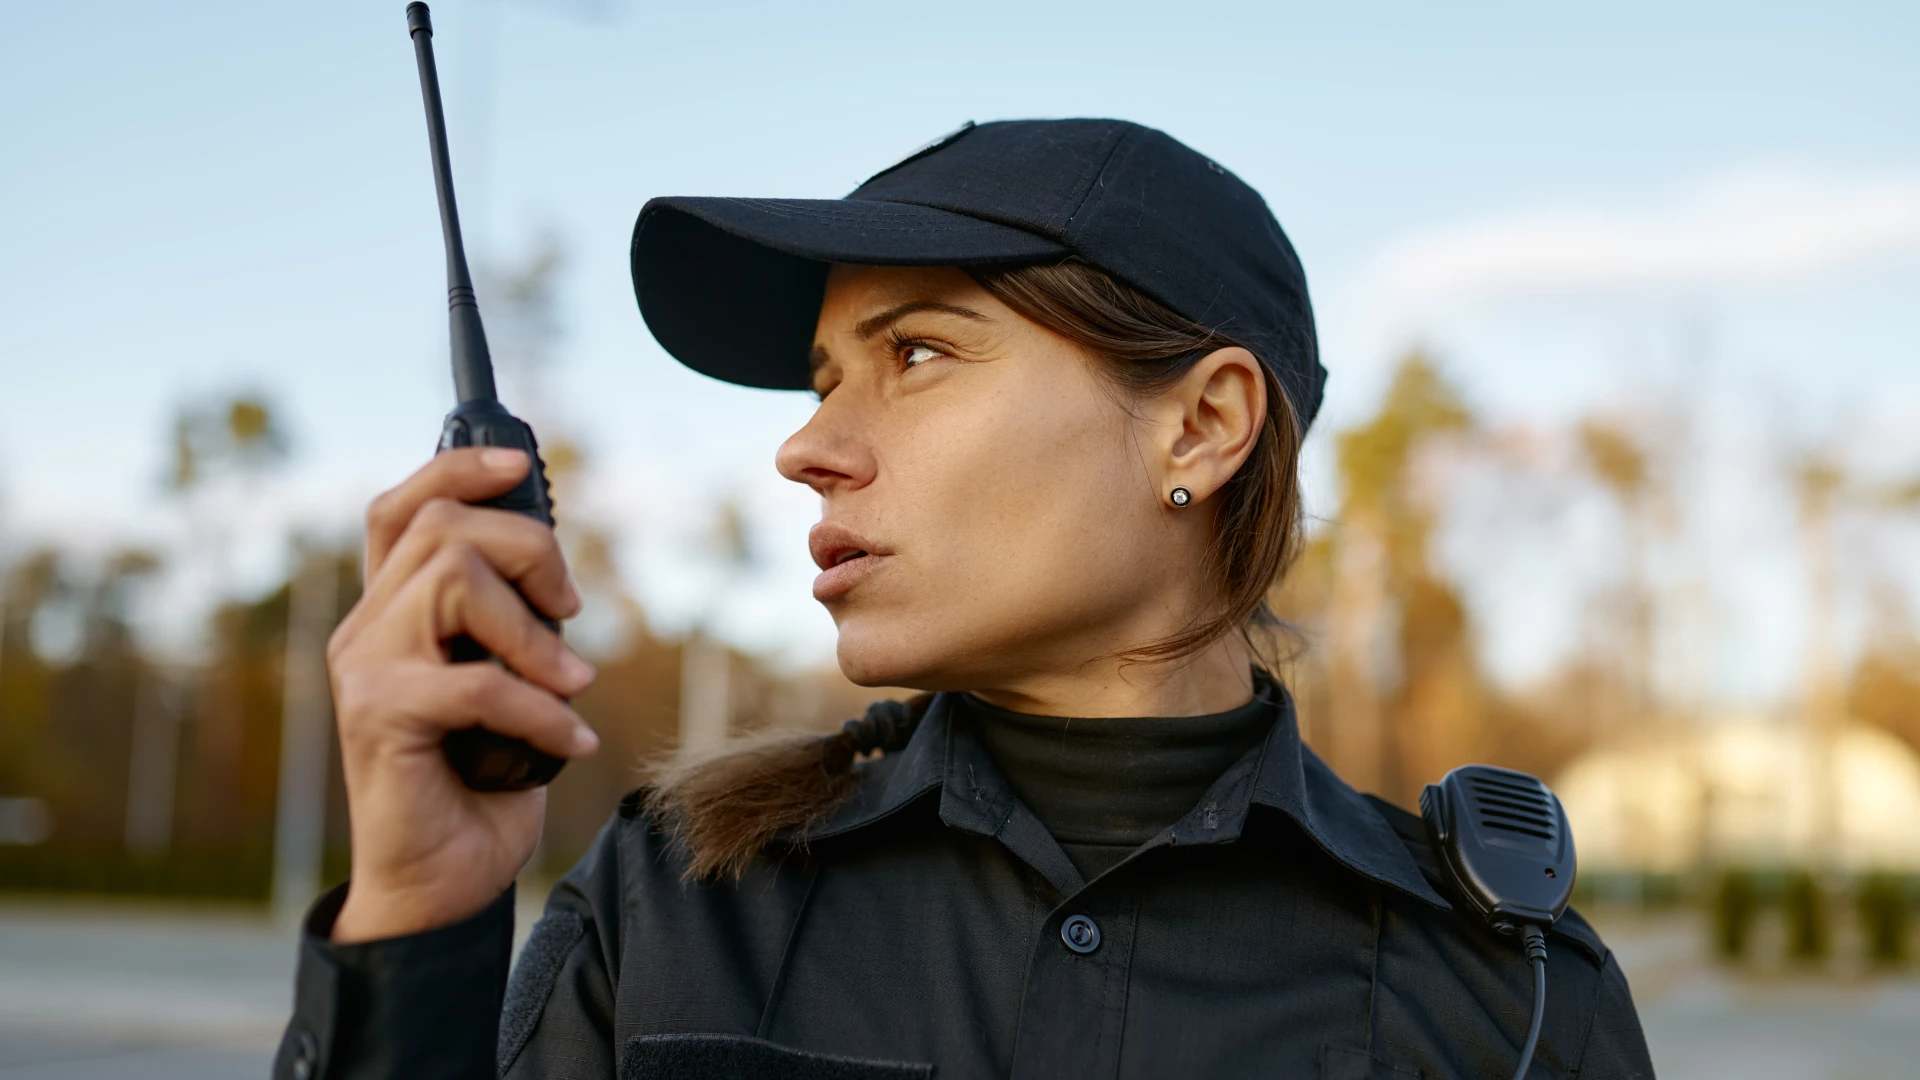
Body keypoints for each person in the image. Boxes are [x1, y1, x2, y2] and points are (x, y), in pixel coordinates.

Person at [276, 119, 1653, 1080]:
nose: (805, 447)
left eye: (920, 351)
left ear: (1203, 426)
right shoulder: (677, 901)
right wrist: (413, 909)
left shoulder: (1511, 994)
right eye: (825, 379)